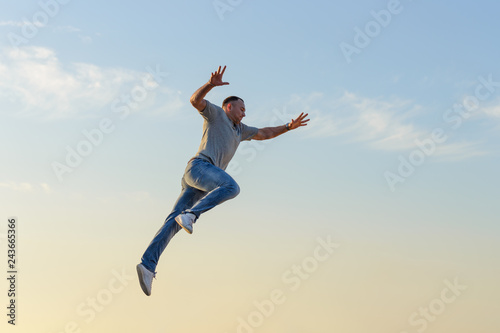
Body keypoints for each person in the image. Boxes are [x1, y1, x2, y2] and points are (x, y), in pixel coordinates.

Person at [137, 66, 309, 296]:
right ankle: (191, 215)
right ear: (229, 107)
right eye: (242, 108)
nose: (244, 113)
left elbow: (266, 133)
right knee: (231, 187)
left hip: (200, 182)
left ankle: (147, 265)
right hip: (199, 167)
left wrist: (288, 127)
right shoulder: (216, 114)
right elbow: (194, 100)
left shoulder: (241, 130)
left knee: (173, 222)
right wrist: (210, 85)